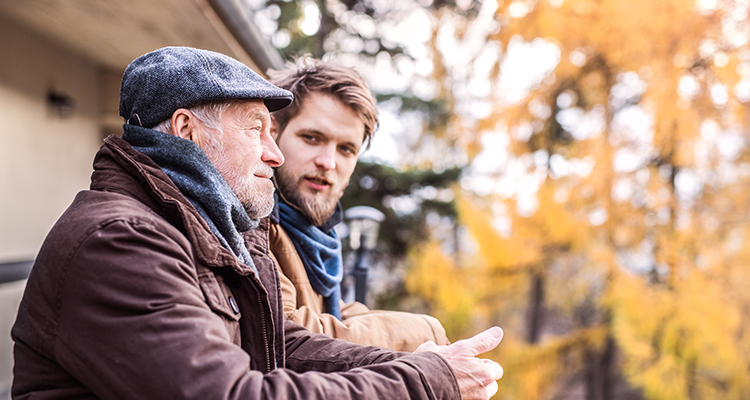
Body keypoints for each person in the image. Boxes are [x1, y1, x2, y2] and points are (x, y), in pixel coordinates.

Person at [11, 46, 504, 400]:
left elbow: (280, 345)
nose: (274, 154)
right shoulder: (121, 242)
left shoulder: (214, 229)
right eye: (256, 129)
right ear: (187, 132)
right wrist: (423, 382)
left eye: (346, 148)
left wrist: (419, 365)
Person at [264, 58, 450, 352]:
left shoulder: (317, 237)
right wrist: (429, 332)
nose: (328, 162)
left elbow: (333, 315)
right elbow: (286, 331)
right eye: (312, 138)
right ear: (272, 131)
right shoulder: (254, 218)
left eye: (346, 149)